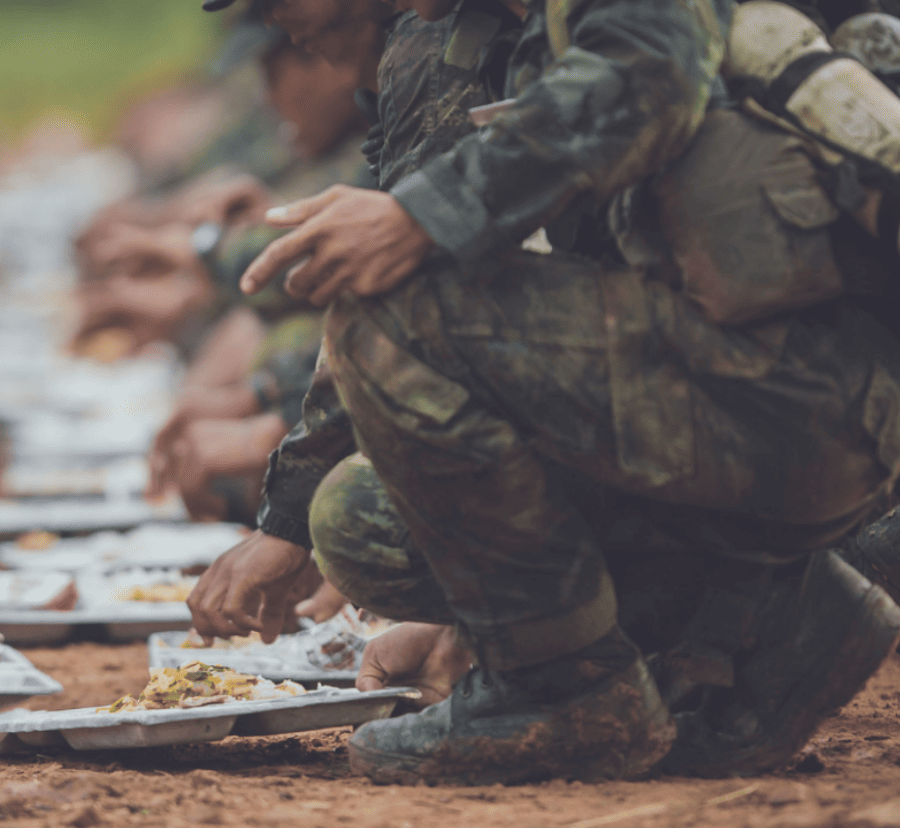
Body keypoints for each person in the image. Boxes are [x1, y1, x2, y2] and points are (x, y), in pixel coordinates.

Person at [189, 0, 900, 785]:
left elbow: (651, 65)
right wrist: (483, 612)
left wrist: (421, 219)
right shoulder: (465, 34)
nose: (275, 23)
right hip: (733, 393)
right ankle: (769, 616)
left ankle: (570, 693)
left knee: (393, 318)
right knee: (364, 518)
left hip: (829, 396)